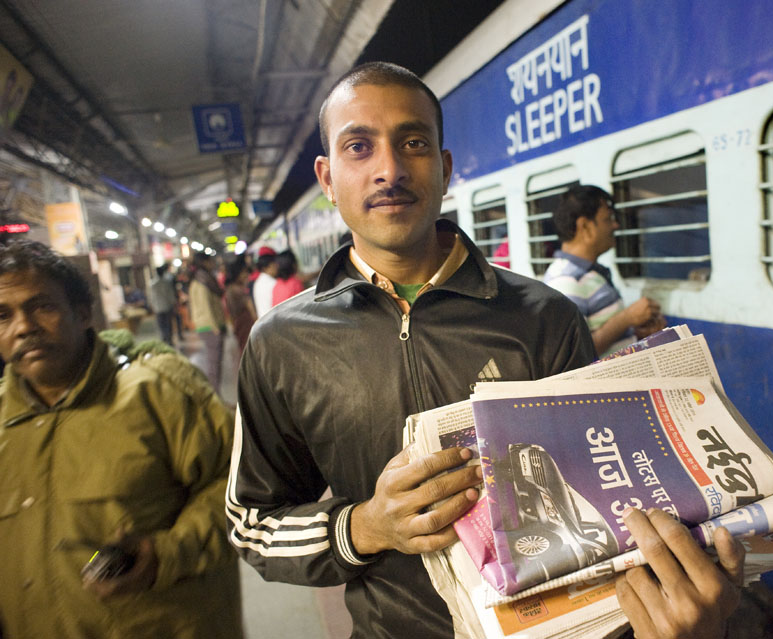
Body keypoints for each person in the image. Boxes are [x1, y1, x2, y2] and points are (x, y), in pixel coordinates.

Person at [226, 62, 743, 639]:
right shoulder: (282, 344)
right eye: (359, 147)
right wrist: (366, 527)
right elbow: (252, 524)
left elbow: (611, 506)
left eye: (413, 143)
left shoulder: (544, 318)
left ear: (444, 169)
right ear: (327, 178)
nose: (389, 169)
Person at [0, 239, 241, 638]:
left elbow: (239, 487)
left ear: (82, 313)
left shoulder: (159, 393)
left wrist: (166, 554)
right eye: (3, 315)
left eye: (42, 306)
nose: (23, 327)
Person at [543, 185, 667, 356]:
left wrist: (636, 334)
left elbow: (600, 338)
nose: (615, 225)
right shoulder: (566, 280)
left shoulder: (588, 274)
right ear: (585, 226)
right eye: (608, 219)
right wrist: (626, 319)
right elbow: (573, 353)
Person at [188, 253, 226, 394]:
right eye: (210, 261)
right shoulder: (201, 282)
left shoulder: (203, 280)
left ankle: (217, 396)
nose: (212, 264)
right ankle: (216, 398)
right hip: (209, 326)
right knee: (214, 364)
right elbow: (205, 307)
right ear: (204, 262)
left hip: (211, 325)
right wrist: (215, 327)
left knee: (215, 363)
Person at [223, 257, 257, 353]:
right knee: (248, 349)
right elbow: (249, 306)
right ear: (237, 274)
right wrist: (256, 321)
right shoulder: (237, 290)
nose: (246, 275)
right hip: (245, 323)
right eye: (244, 273)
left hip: (238, 323)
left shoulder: (230, 288)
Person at [150, 262, 177, 345]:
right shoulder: (166, 282)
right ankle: (169, 339)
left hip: (158, 307)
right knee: (168, 324)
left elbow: (152, 297)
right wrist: (173, 303)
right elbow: (171, 295)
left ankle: (164, 338)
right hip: (167, 306)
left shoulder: (153, 283)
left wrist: (153, 306)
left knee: (161, 324)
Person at [251, 246, 279, 315]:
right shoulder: (273, 283)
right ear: (267, 267)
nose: (277, 267)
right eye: (274, 265)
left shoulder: (257, 283)